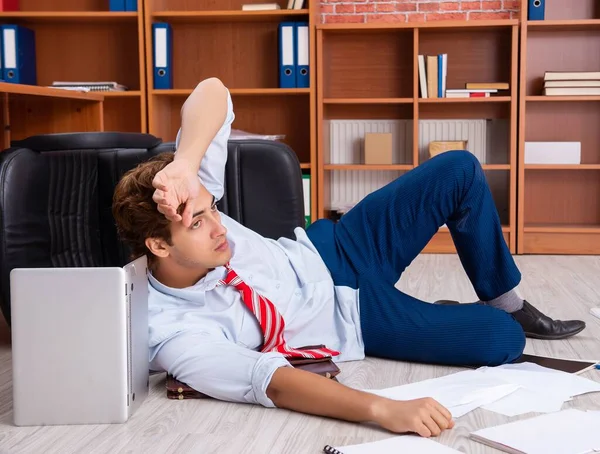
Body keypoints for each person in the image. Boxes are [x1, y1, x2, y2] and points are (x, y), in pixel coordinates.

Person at [112, 78, 586, 438]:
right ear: (158, 246)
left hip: (334, 247)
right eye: (197, 222)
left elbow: (214, 91)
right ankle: (447, 317)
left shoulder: (184, 192)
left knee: (457, 170)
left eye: (212, 208)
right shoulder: (173, 332)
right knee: (502, 343)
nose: (218, 225)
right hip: (357, 318)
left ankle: (506, 299)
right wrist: (382, 409)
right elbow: (271, 381)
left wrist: (186, 164)